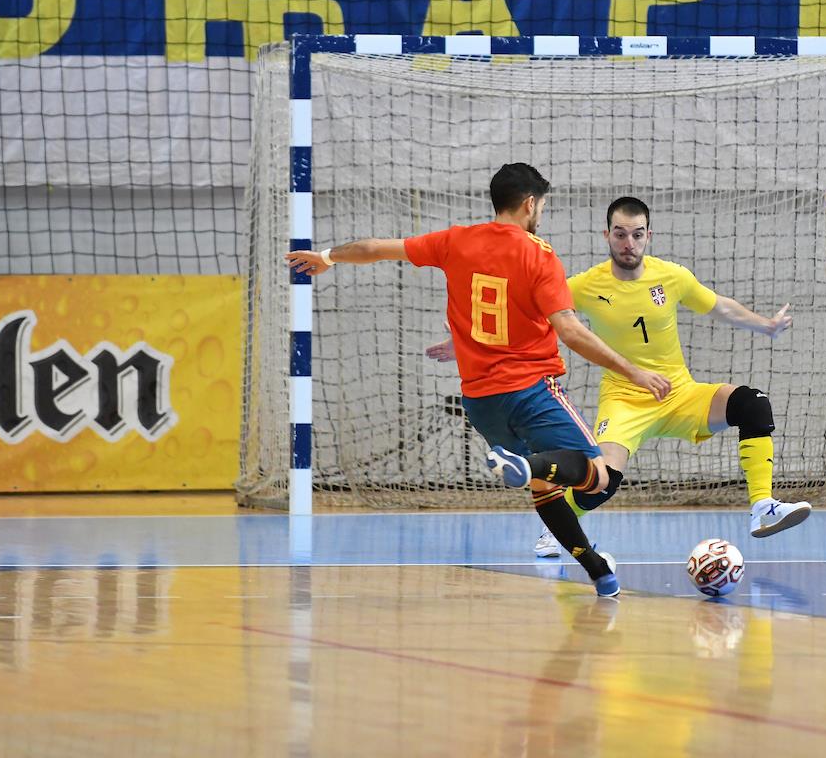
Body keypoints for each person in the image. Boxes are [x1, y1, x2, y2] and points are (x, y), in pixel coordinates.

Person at [286, 165, 671, 596]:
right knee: (597, 477)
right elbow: (571, 332)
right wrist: (634, 371)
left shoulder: (455, 241)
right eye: (541, 205)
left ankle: (600, 572)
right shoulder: (539, 254)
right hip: (531, 390)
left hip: (481, 401)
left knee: (546, 490)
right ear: (530, 204)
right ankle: (527, 466)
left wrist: (326, 257)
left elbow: (375, 247)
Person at [428, 196, 811, 558]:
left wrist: (766, 326)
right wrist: (463, 341)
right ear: (606, 235)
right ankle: (556, 529)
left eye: (637, 234)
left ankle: (763, 507)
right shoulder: (586, 284)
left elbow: (719, 306)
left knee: (752, 403)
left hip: (679, 393)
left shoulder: (672, 277)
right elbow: (524, 311)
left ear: (649, 236)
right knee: (603, 481)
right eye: (620, 233)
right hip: (625, 400)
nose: (629, 242)